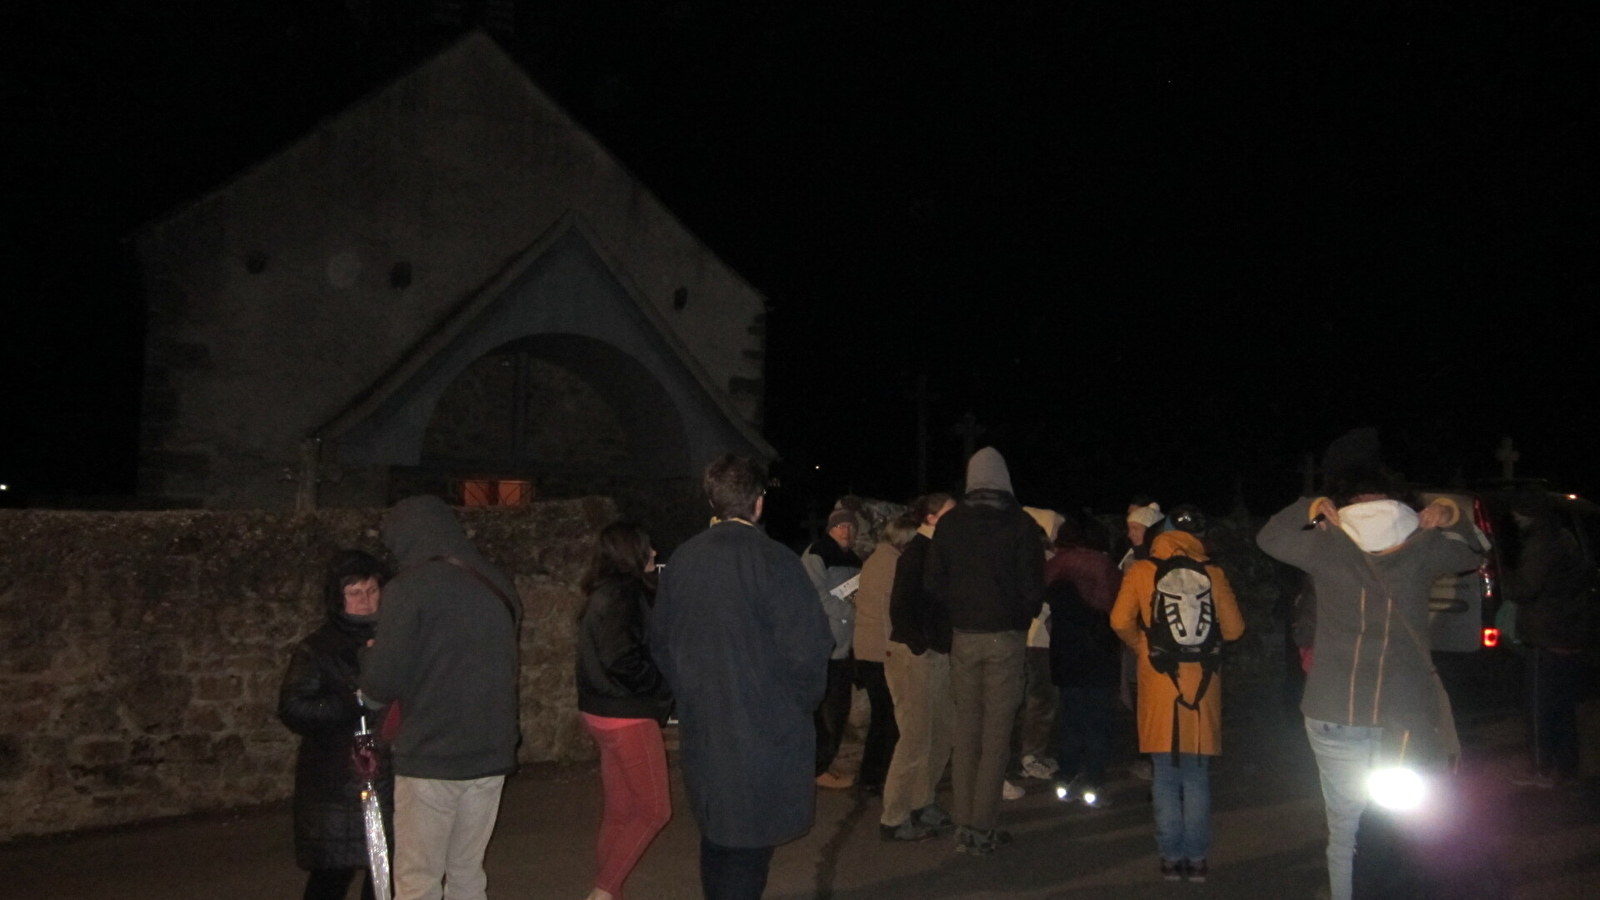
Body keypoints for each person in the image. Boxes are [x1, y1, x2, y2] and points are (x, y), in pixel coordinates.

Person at [1257, 470, 1485, 900]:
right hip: (1402, 716)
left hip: (1334, 707)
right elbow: (1476, 552)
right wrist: (1450, 514)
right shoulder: (1424, 546)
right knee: (1402, 828)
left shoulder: (1325, 543)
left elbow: (1269, 536)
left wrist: (1310, 505)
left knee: (1345, 832)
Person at [652, 454, 834, 900]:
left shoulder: (684, 560)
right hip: (762, 729)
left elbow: (662, 644)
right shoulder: (775, 561)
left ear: (712, 500)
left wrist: (693, 693)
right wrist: (795, 707)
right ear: (758, 502)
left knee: (718, 835)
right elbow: (809, 651)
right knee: (747, 846)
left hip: (707, 724)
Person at [359, 495, 522, 900]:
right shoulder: (497, 582)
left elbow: (381, 683)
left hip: (432, 753)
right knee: (466, 873)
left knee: (419, 878)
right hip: (491, 751)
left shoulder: (408, 589)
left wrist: (367, 657)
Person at [925, 447, 1044, 855]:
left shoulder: (951, 524)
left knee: (966, 730)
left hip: (964, 636)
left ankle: (963, 820)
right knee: (996, 734)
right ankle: (982, 826)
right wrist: (1020, 614)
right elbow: (1034, 587)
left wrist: (959, 609)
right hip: (1005, 638)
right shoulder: (1021, 524)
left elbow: (933, 583)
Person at [1111, 529, 1244, 882]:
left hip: (1159, 683)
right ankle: (1196, 859)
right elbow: (1234, 630)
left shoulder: (1141, 571)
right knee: (1196, 776)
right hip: (1202, 687)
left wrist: (1142, 646)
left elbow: (1119, 620)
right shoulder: (1212, 573)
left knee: (1166, 776)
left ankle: (1170, 858)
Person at [279, 550, 394, 900]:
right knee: (332, 872)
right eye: (355, 593)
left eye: (372, 590)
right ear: (338, 597)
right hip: (334, 780)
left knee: (385, 874)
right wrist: (353, 701)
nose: (366, 600)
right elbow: (294, 708)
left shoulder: (395, 638)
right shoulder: (317, 648)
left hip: (389, 774)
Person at [576, 522, 674, 900]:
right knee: (654, 810)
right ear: (631, 551)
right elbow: (621, 658)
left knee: (620, 810)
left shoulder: (603, 591)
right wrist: (659, 685)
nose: (654, 553)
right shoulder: (624, 593)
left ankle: (609, 891)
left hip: (601, 711)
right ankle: (603, 892)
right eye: (648, 547)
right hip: (626, 713)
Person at [879, 493, 957, 842]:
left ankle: (922, 801)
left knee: (942, 731)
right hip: (915, 655)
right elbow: (900, 609)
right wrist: (920, 644)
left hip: (937, 653)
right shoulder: (917, 553)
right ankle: (894, 817)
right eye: (949, 514)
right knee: (915, 736)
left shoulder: (942, 552)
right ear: (930, 518)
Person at [1500, 493, 1592, 787]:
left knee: (1540, 707)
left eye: (1518, 512)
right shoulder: (1563, 537)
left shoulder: (1541, 544)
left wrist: (1504, 575)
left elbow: (1526, 588)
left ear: (1531, 514)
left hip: (1545, 633)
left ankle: (1541, 769)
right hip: (1566, 631)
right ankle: (1565, 769)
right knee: (1562, 706)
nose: (1514, 518)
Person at [1044, 513, 1123, 807]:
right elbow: (1118, 607)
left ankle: (1066, 775)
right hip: (1100, 651)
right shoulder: (1105, 566)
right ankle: (1093, 780)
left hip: (1066, 651)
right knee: (1098, 720)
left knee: (1071, 717)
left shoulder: (1055, 565)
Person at [852, 514, 916, 796]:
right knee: (887, 717)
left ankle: (873, 776)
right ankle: (875, 776)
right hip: (881, 650)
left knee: (883, 715)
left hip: (868, 648)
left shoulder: (875, 560)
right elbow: (892, 611)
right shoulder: (893, 564)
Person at [801, 507, 864, 789]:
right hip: (823, 647)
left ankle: (825, 763)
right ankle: (818, 769)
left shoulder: (854, 559)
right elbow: (815, 594)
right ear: (830, 528)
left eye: (851, 526)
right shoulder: (817, 554)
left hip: (845, 647)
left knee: (838, 711)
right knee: (826, 713)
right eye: (840, 526)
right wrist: (849, 614)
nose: (846, 531)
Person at [1014, 507, 1066, 783]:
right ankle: (1031, 757)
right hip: (1040, 640)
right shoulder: (1046, 561)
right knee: (1043, 699)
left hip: (1028, 638)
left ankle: (1029, 754)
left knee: (1032, 699)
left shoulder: (1026, 558)